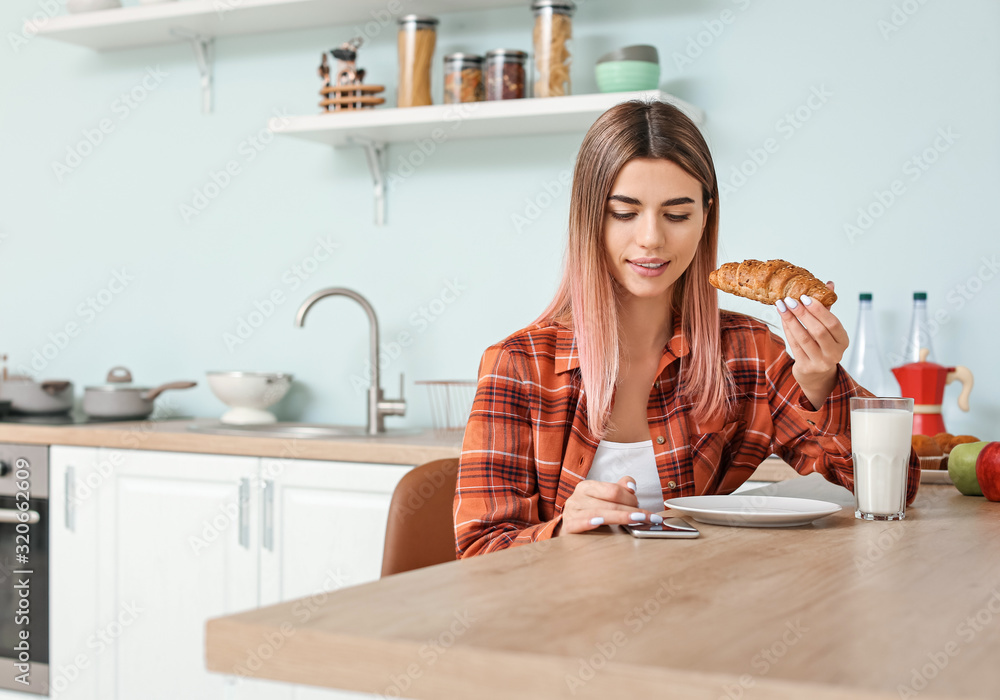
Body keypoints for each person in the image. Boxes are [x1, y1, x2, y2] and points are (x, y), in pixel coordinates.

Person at [453, 100, 919, 558]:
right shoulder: (519, 365)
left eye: (677, 214)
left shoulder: (747, 354)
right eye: (624, 212)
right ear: (589, 218)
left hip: (697, 616)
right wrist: (561, 531)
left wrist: (821, 382)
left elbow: (898, 485)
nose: (652, 238)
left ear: (705, 218)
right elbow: (478, 552)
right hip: (565, 625)